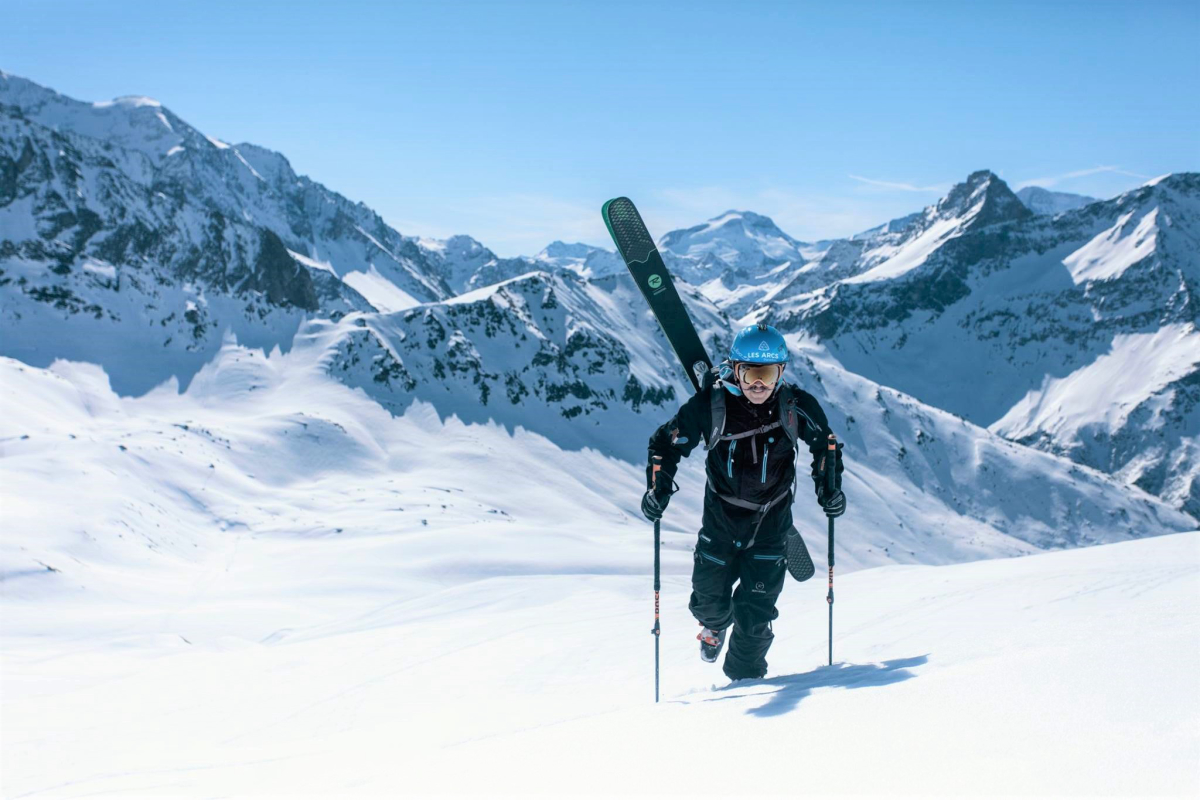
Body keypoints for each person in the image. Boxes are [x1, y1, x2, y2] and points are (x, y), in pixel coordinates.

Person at [641, 323, 845, 681]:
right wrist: (658, 489)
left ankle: (744, 688)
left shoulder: (796, 406)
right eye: (750, 373)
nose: (758, 385)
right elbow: (665, 445)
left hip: (771, 527)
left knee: (755, 619)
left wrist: (829, 490)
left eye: (767, 375)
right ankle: (714, 627)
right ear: (735, 369)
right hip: (720, 524)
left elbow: (825, 446)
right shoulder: (711, 406)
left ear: (781, 373)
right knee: (709, 603)